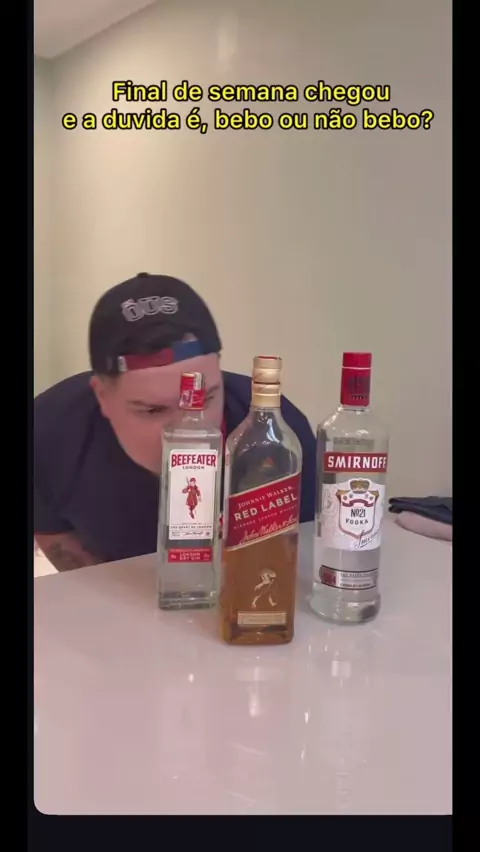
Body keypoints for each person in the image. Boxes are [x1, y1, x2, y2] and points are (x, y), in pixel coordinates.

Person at [34, 273, 316, 571]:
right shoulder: (49, 431)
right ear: (102, 397)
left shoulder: (275, 430)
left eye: (204, 399)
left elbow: (289, 557)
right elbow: (57, 539)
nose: (186, 433)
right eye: (153, 410)